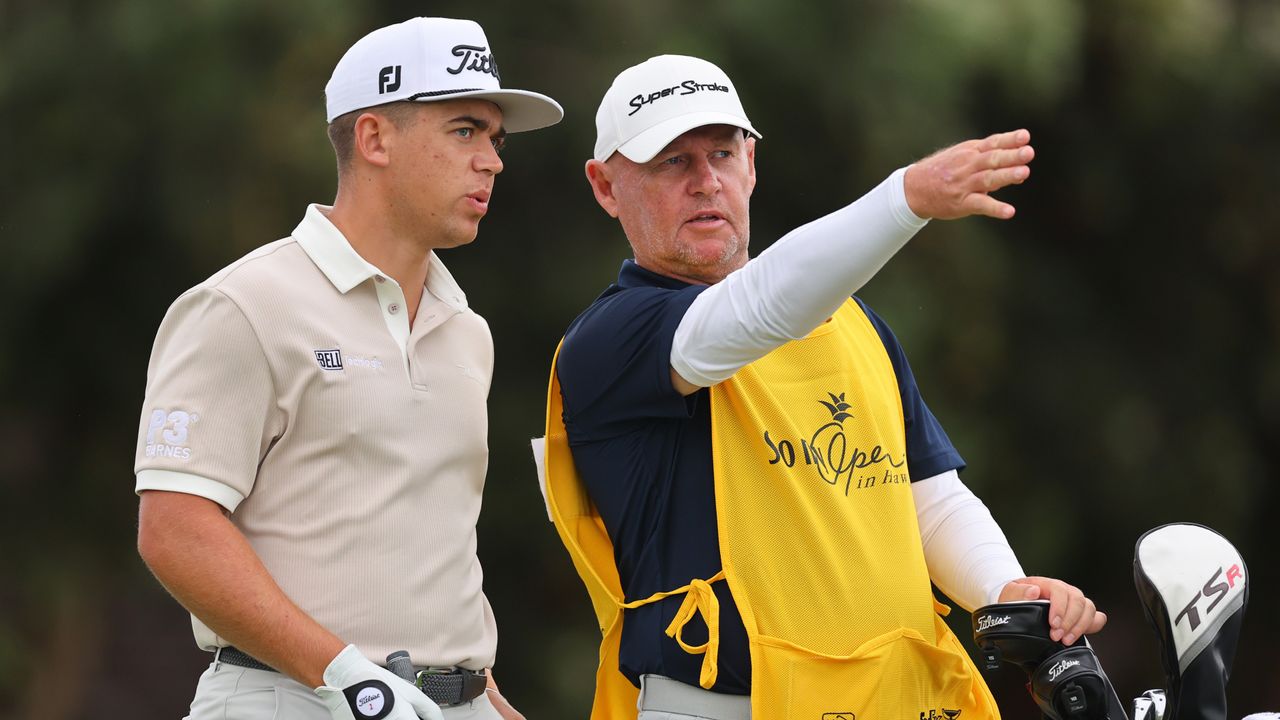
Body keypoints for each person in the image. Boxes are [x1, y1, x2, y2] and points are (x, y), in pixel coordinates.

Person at [540, 54, 1107, 720]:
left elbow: (925, 498)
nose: (705, 182)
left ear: (751, 163)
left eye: (722, 153)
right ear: (605, 187)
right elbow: (752, 313)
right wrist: (905, 199)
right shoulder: (610, 339)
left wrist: (1003, 587)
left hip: (893, 703)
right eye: (671, 162)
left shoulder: (851, 320)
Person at [134, 17, 562, 720]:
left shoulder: (466, 331)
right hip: (292, 697)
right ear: (374, 138)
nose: (492, 160)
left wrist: (484, 698)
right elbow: (175, 527)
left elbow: (424, 549)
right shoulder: (243, 304)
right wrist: (348, 678)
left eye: (495, 138)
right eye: (464, 131)